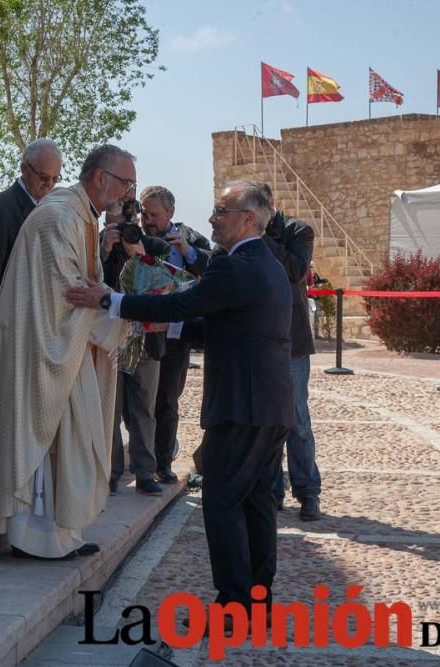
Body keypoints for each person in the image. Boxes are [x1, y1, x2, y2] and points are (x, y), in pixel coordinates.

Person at [67, 180, 294, 617]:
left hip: (241, 406)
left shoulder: (235, 265)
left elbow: (184, 305)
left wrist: (111, 300)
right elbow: (220, 326)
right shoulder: (265, 263)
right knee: (256, 500)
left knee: (224, 501)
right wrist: (160, 327)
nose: (211, 219)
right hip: (268, 404)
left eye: (221, 211)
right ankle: (258, 600)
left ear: (248, 219)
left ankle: (234, 607)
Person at [0, 144, 134, 560]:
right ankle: (36, 537)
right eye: (125, 183)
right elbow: (68, 293)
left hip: (65, 345)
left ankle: (60, 533)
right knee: (46, 440)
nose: (127, 193)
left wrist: (116, 307)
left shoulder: (78, 214)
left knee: (65, 439)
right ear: (101, 177)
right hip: (46, 346)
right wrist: (118, 312)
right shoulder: (59, 216)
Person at [139, 185, 212, 483]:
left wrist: (187, 250)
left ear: (170, 213)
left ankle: (163, 461)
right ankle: (139, 460)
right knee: (137, 401)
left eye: (154, 214)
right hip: (140, 331)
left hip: (175, 334)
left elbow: (211, 265)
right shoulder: (136, 237)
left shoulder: (191, 238)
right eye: (144, 213)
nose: (148, 220)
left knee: (168, 399)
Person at [101, 201, 171, 497]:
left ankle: (145, 472)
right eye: (113, 219)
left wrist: (141, 256)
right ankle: (111, 472)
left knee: (144, 408)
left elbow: (168, 280)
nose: (121, 228)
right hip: (110, 339)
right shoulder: (97, 246)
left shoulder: (154, 245)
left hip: (147, 340)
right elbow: (91, 280)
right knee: (111, 410)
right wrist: (104, 250)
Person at [260, 185, 322, 521]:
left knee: (297, 419)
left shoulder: (297, 230)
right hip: (261, 342)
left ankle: (308, 492)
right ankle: (272, 492)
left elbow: (295, 271)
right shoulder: (246, 236)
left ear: (270, 204)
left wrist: (261, 237)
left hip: (292, 342)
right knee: (268, 422)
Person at [0, 138, 62, 339]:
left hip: (43, 324)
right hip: (9, 325)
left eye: (55, 179)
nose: (49, 185)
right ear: (24, 169)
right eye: (43, 177)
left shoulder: (52, 210)